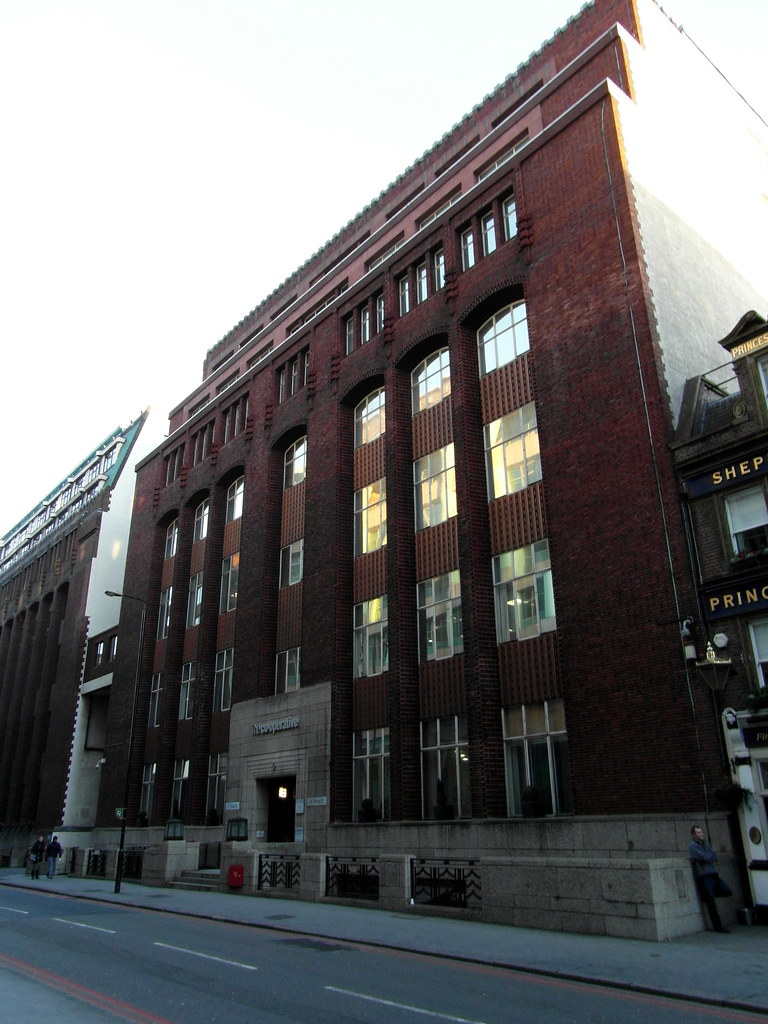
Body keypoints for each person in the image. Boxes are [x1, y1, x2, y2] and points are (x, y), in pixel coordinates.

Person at [688, 824, 732, 933]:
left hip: (713, 873)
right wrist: (707, 857)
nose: (701, 834)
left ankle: (706, 895)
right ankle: (718, 926)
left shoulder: (705, 844)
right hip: (704, 876)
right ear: (693, 835)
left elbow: (714, 856)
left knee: (728, 891)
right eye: (698, 832)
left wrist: (707, 857)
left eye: (701, 832)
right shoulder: (692, 845)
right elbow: (704, 857)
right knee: (712, 903)